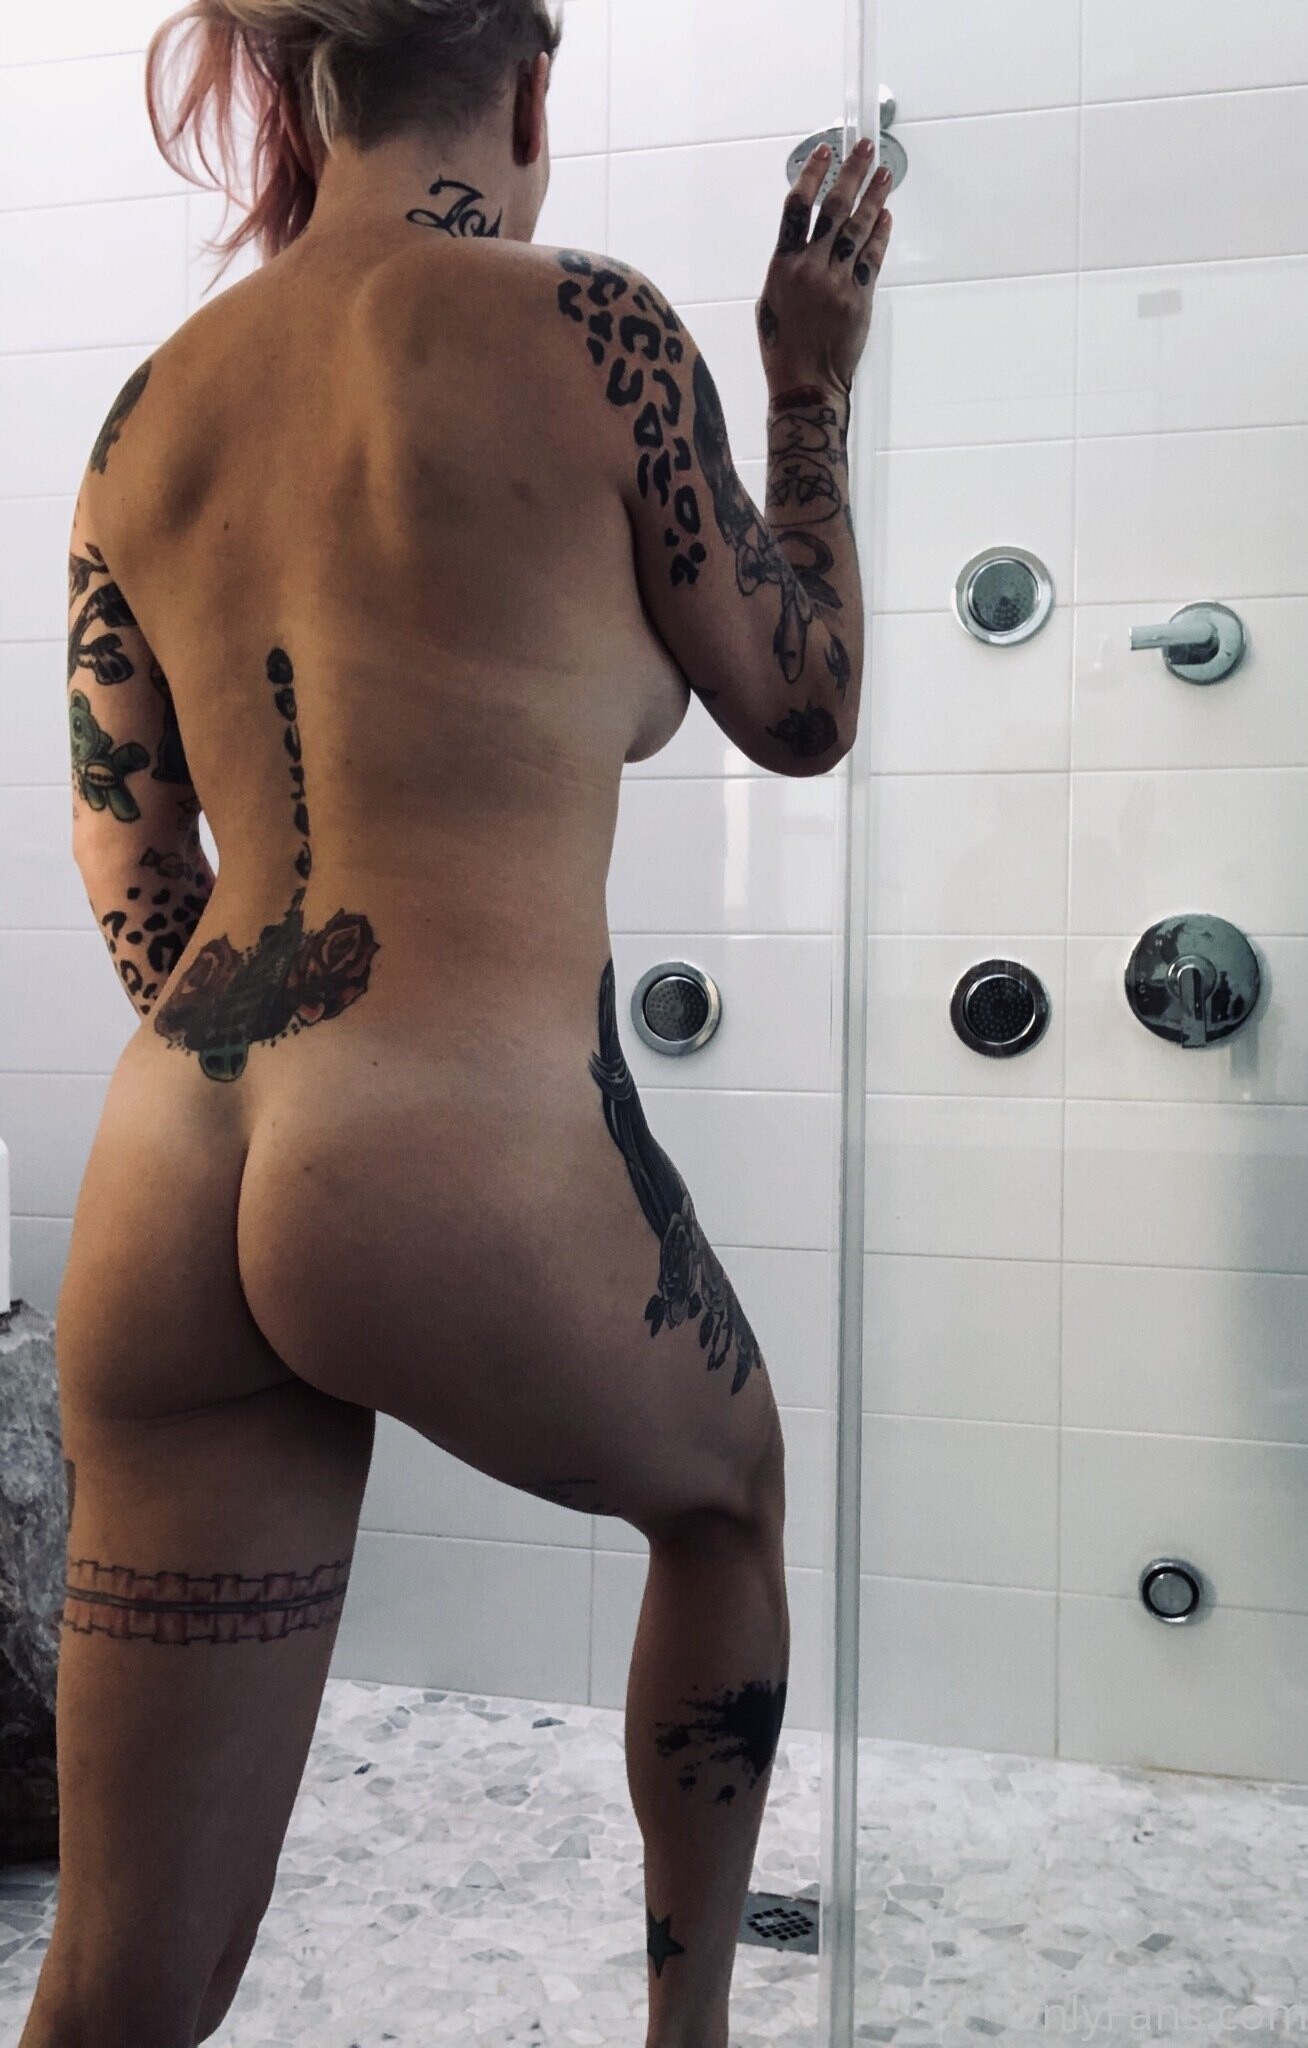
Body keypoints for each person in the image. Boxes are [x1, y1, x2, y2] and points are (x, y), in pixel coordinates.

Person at [23, 1, 893, 2043]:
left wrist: (272, 1064)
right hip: (445, 1144)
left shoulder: (152, 412)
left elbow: (129, 851)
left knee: (124, 1988)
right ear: (527, 87)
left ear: (304, 87)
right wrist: (807, 391)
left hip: (169, 1161)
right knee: (723, 1499)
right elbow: (802, 708)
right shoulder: (591, 329)